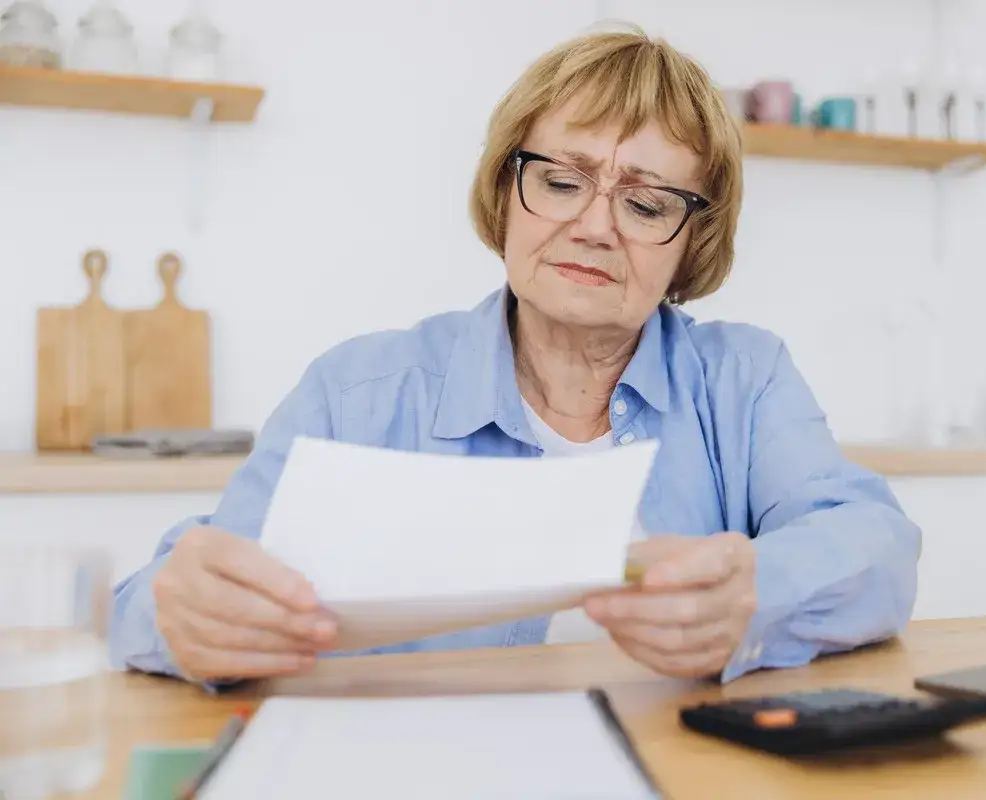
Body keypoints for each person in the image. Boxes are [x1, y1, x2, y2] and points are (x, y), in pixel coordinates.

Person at [108, 26, 921, 688]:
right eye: (562, 183)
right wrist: (184, 615)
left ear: (691, 241)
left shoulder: (744, 379)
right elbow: (154, 604)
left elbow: (877, 548)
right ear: (506, 194)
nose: (595, 227)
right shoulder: (357, 393)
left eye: (645, 204)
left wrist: (756, 594)